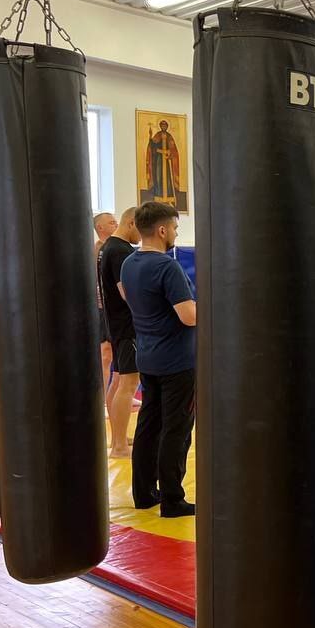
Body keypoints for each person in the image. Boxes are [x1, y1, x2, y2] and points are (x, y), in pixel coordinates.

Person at [119, 201, 196, 517]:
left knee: (149, 426)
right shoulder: (167, 267)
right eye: (175, 228)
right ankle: (172, 499)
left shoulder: (129, 263)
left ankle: (144, 492)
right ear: (162, 230)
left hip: (148, 356)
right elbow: (189, 316)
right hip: (177, 361)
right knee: (176, 428)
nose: (176, 233)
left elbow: (127, 296)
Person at [99, 208, 141, 459]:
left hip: (116, 324)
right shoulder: (120, 251)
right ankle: (119, 447)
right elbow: (126, 291)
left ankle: (119, 438)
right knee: (129, 382)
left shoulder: (109, 248)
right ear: (132, 223)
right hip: (126, 325)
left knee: (118, 380)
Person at [94, 211, 117, 398]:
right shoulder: (96, 250)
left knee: (119, 353)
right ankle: (101, 396)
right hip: (102, 308)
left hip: (116, 308)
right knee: (106, 353)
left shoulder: (117, 248)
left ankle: (118, 391)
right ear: (100, 227)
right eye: (111, 222)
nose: (116, 224)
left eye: (116, 221)